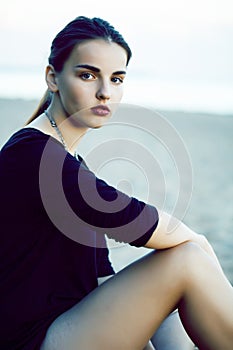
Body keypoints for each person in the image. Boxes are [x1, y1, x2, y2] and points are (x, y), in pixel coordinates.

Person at [0, 16, 232, 350]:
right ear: (53, 77)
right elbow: (134, 220)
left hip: (72, 325)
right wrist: (201, 244)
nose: (105, 92)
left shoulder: (65, 159)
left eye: (117, 78)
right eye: (87, 75)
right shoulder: (35, 156)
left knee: (175, 267)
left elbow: (102, 276)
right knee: (188, 258)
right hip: (35, 340)